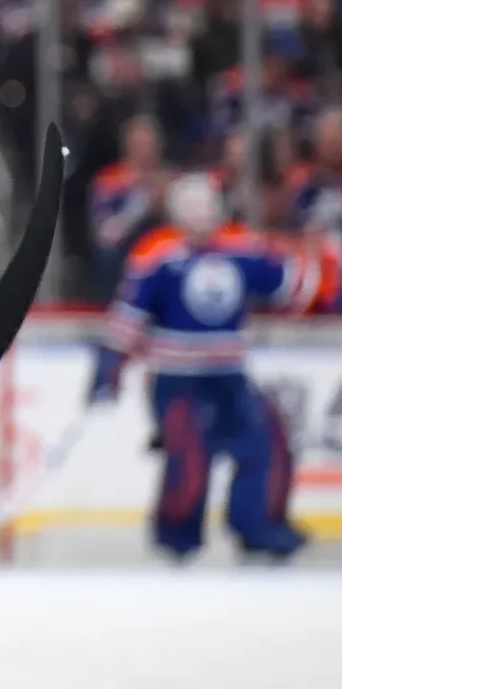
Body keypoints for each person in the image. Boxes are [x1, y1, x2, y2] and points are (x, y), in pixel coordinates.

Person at [86, 172, 336, 564]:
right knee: (189, 458)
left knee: (264, 447)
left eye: (206, 205)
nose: (200, 215)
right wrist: (108, 368)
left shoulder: (241, 249)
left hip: (229, 378)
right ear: (176, 212)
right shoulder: (158, 255)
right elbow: (127, 318)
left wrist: (316, 257)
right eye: (192, 207)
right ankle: (177, 538)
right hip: (176, 381)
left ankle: (258, 529)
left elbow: (295, 285)